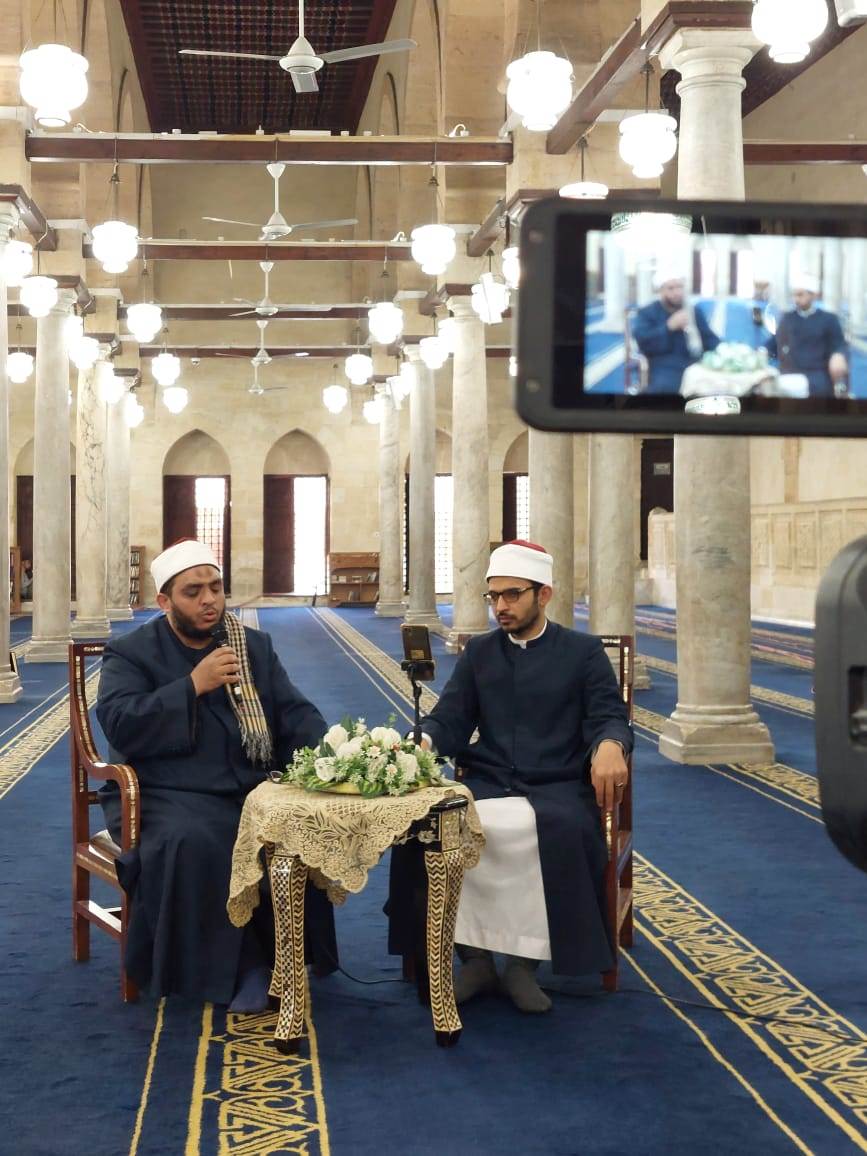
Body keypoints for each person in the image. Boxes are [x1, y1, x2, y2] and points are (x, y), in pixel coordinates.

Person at [387, 540, 633, 1014]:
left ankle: (522, 966)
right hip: (489, 778)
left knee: (560, 830)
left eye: (512, 594)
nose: (500, 605)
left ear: (544, 595)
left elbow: (609, 716)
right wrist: (423, 743)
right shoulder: (480, 652)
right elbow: (450, 717)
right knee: (432, 825)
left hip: (557, 784)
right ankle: (476, 960)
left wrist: (609, 744)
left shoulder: (582, 653)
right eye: (494, 595)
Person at [96, 539, 337, 1011]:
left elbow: (294, 713)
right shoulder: (131, 653)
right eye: (193, 592)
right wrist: (192, 686)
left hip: (249, 784)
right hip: (164, 790)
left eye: (216, 588)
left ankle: (289, 955)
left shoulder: (250, 647)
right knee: (196, 839)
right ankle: (241, 969)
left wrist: (329, 753)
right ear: (164, 601)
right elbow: (120, 722)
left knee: (297, 821)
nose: (209, 600)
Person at [631, 269, 720, 394]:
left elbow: (709, 338)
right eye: (671, 288)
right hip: (664, 366)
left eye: (679, 287)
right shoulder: (648, 312)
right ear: (661, 291)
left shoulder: (693, 311)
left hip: (695, 363)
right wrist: (669, 327)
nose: (677, 292)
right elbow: (644, 342)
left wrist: (725, 351)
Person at [765, 273, 849, 398]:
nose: (796, 299)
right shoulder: (788, 319)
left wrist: (838, 355)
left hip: (818, 378)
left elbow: (839, 345)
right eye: (794, 295)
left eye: (800, 295)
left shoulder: (828, 320)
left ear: (813, 295)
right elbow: (773, 343)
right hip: (791, 376)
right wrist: (760, 353)